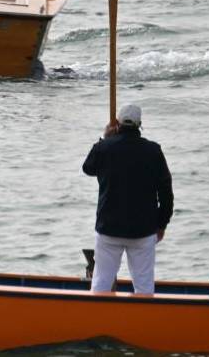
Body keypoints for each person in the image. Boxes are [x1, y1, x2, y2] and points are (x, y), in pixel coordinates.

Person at [82, 104, 173, 294]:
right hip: (143, 229)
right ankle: (143, 322)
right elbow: (166, 193)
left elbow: (88, 168)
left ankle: (96, 320)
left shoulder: (105, 148)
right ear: (140, 125)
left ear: (117, 123)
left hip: (109, 227)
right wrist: (162, 224)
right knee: (144, 286)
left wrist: (103, 139)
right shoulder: (153, 151)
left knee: (101, 283)